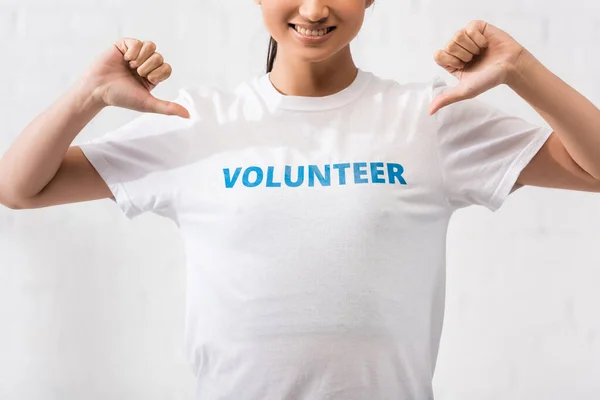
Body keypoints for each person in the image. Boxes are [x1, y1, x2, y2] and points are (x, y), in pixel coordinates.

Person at [1, 0, 599, 398]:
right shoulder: (193, 121)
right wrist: (87, 96)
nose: (314, 9)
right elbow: (19, 187)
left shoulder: (429, 116)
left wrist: (521, 68)